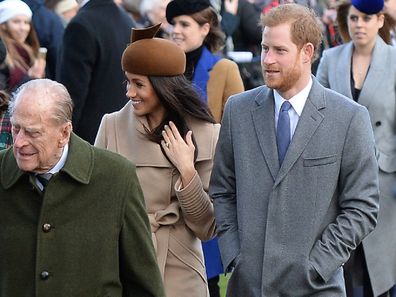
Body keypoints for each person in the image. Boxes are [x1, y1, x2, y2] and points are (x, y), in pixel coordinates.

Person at [209, 3, 380, 296]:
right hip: (248, 286)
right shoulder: (238, 110)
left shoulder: (349, 117)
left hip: (316, 287)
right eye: (264, 48)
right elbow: (222, 190)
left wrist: (318, 265)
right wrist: (236, 255)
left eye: (279, 50)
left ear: (307, 53)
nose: (267, 60)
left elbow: (362, 206)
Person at [0, 78, 165, 297]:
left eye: (33, 133)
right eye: (16, 129)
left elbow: (143, 283)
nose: (19, 142)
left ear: (64, 133)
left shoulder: (116, 178)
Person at [95, 23, 218, 297]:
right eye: (128, 81)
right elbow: (94, 204)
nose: (129, 92)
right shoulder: (111, 126)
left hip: (182, 268)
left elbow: (207, 227)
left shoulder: (206, 134)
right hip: (124, 262)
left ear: (165, 87)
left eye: (139, 84)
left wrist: (187, 170)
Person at [316, 1, 396, 296]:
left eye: (366, 18)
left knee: (382, 266)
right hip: (339, 174)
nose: (359, 24)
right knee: (344, 261)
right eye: (353, 18)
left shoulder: (395, 60)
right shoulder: (331, 58)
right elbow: (318, 113)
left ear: (379, 20)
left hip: (385, 177)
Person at [57, 0, 135, 144]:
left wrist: (61, 139)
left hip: (87, 138)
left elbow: (72, 93)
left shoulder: (81, 24)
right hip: (122, 132)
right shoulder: (127, 21)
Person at [166, 0, 244, 123]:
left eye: (184, 24)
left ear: (204, 29)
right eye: (173, 24)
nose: (175, 30)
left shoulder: (225, 69)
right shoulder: (163, 67)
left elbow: (238, 125)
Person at [0, 0, 46, 91]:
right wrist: (30, 77)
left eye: (26, 22)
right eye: (16, 22)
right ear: (3, 25)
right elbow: (3, 99)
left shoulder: (30, 51)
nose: (23, 28)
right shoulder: (2, 54)